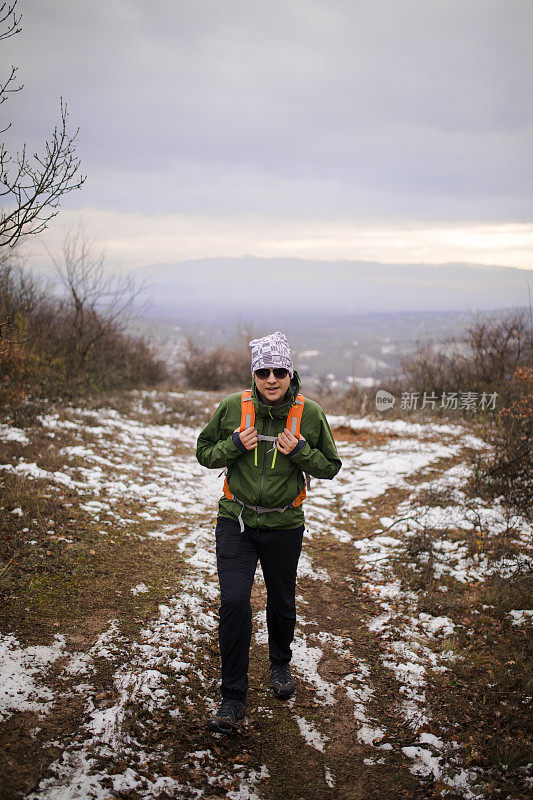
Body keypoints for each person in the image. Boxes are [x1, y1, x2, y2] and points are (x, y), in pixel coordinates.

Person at [196, 331, 342, 733]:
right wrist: (232, 446)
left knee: (281, 598)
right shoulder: (232, 408)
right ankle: (232, 697)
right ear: (254, 373)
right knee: (235, 603)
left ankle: (279, 664)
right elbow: (203, 452)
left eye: (280, 370)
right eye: (264, 371)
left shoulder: (309, 414)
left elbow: (331, 465)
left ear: (290, 372)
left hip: (284, 524)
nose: (272, 379)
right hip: (236, 522)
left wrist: (300, 453)